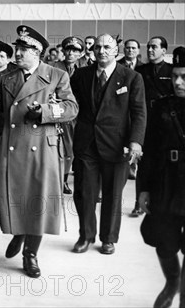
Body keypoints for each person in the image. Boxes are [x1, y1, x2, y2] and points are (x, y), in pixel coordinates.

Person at [0, 25, 78, 278]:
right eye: (17, 49)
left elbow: (72, 108)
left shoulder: (56, 75)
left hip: (42, 148)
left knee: (39, 203)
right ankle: (19, 233)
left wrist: (44, 111)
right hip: (13, 147)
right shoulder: (7, 78)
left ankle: (31, 253)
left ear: (37, 52)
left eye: (23, 50)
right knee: (11, 198)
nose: (17, 54)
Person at [71, 34, 146, 256]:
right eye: (98, 47)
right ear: (93, 51)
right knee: (85, 192)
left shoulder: (131, 77)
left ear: (116, 51)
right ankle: (85, 236)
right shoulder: (81, 75)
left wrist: (135, 142)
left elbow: (139, 113)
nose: (101, 50)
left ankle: (108, 239)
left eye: (107, 47)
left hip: (117, 145)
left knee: (113, 195)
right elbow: (71, 102)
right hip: (86, 144)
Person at [139, 46, 185, 308]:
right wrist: (144, 189)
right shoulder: (162, 107)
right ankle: (172, 282)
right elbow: (151, 149)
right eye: (176, 76)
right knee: (163, 240)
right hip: (165, 182)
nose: (178, 82)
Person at [130, 36, 174, 217]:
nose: (150, 50)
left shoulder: (172, 71)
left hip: (166, 126)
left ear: (164, 50)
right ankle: (138, 203)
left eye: (154, 47)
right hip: (146, 124)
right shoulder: (140, 71)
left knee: (166, 167)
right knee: (144, 167)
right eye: (148, 47)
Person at [52, 36, 87, 195]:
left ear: (81, 54)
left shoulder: (85, 69)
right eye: (69, 49)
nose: (71, 53)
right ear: (63, 51)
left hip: (77, 115)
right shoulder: (53, 68)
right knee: (58, 150)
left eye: (76, 50)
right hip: (57, 113)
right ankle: (61, 180)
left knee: (72, 150)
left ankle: (65, 178)